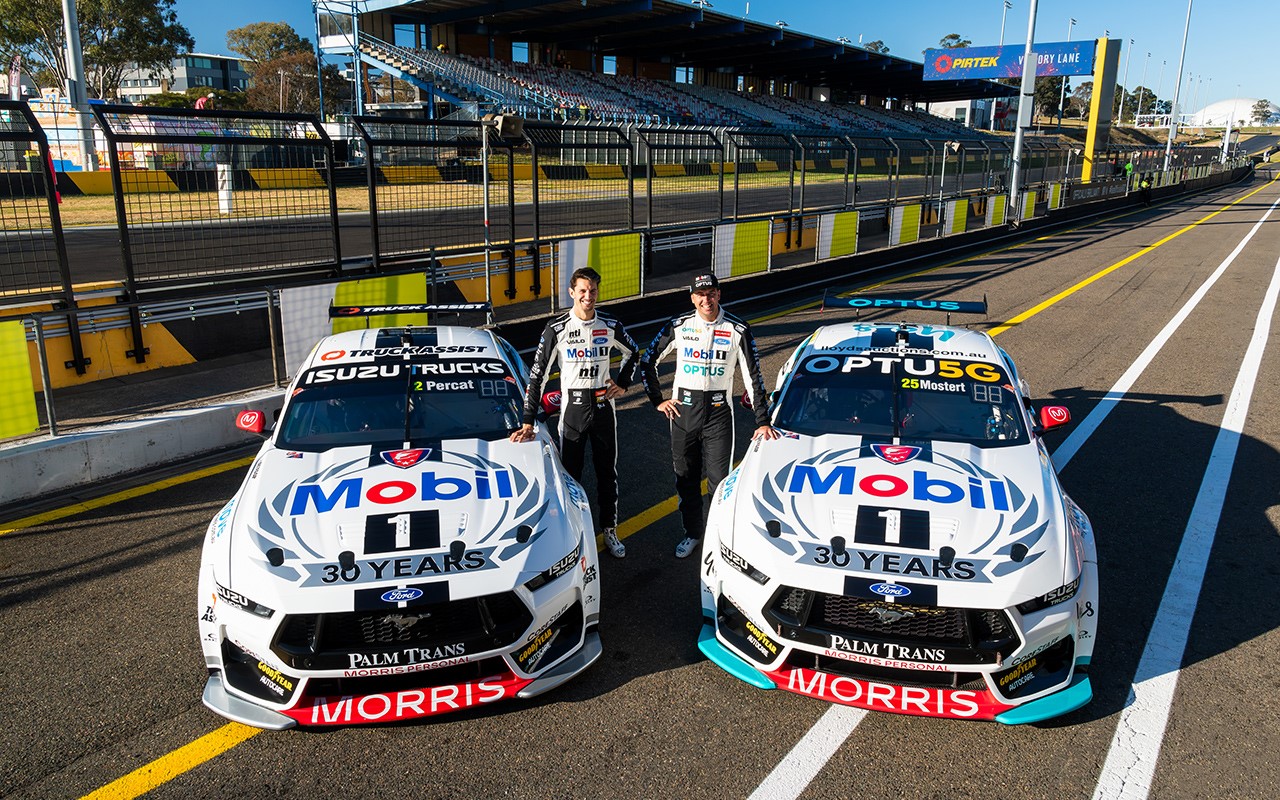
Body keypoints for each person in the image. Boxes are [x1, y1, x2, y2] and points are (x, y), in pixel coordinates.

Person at [640, 273, 779, 558]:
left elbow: (753, 377)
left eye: (711, 293)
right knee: (686, 479)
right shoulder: (679, 326)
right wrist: (657, 400)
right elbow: (647, 359)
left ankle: (716, 539)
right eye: (700, 294)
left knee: (719, 483)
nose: (706, 299)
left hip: (718, 416)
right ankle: (692, 533)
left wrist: (762, 421)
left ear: (719, 294)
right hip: (682, 413)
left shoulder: (738, 328)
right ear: (692, 298)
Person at [511, 267, 639, 558]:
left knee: (608, 473)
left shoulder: (610, 324)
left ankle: (609, 529)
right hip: (572, 411)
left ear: (598, 291)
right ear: (572, 293)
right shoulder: (556, 328)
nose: (588, 296)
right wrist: (528, 421)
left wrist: (622, 383)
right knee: (570, 476)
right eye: (582, 290)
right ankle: (572, 534)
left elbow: (634, 352)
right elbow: (537, 376)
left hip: (604, 407)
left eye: (592, 290)